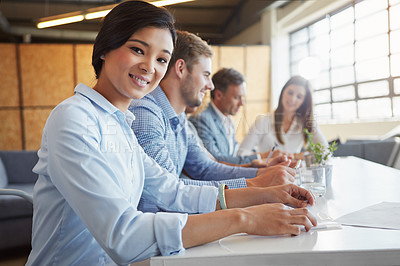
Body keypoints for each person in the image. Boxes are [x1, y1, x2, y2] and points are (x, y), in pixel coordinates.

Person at [26, 3, 316, 264]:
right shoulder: (74, 118)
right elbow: (122, 236)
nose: (149, 67)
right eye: (138, 50)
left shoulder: (120, 123)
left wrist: (262, 194)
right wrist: (245, 218)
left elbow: (172, 189)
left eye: (161, 59)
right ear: (104, 48)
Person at [129, 30, 297, 213]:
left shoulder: (179, 118)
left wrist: (262, 174)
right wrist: (257, 183)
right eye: (206, 75)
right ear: (180, 69)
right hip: (157, 231)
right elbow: (171, 190)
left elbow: (206, 168)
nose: (210, 85)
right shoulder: (146, 114)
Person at [189, 67, 267, 164]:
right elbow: (216, 160)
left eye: (242, 97)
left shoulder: (228, 118)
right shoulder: (201, 119)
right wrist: (259, 157)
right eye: (237, 97)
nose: (242, 103)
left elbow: (232, 153)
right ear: (218, 95)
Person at [238, 76, 328, 158]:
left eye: (299, 97)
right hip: (268, 173)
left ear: (304, 101)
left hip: (294, 174)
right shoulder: (263, 121)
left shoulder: (306, 123)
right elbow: (241, 153)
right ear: (283, 92)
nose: (292, 99)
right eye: (290, 93)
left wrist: (297, 156)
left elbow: (325, 152)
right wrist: (266, 156)